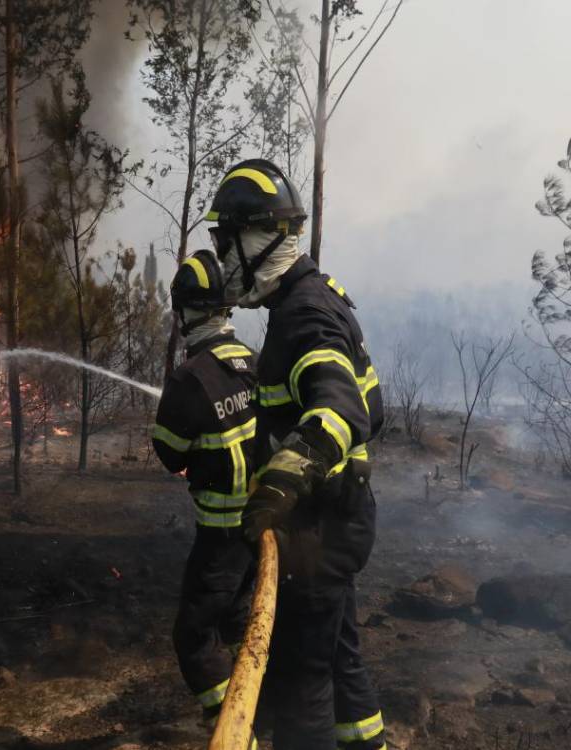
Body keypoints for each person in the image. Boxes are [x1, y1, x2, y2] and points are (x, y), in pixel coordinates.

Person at [205, 158, 386, 750]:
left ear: (260, 237)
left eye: (225, 240)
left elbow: (341, 410)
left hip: (318, 528)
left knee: (297, 682)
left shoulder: (305, 314)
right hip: (339, 517)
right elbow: (372, 407)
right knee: (339, 655)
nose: (223, 257)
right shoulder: (309, 298)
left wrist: (279, 484)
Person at [151, 249, 259, 727]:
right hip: (263, 528)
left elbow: (169, 453)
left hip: (221, 533)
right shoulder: (255, 362)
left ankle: (228, 721)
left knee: (194, 634)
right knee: (240, 622)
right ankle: (256, 702)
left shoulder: (189, 379)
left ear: (186, 311)